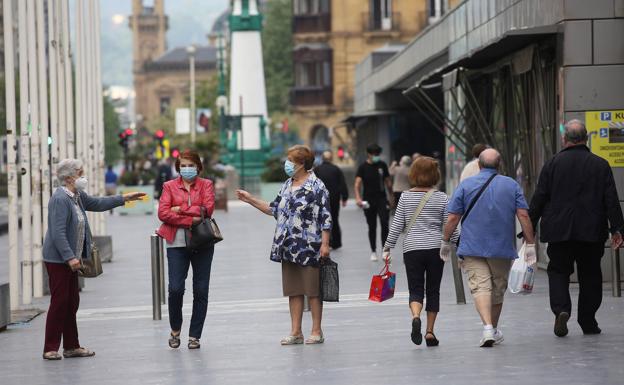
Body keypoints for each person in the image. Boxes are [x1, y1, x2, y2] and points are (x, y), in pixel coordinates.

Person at [528, 119, 624, 337]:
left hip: (559, 231)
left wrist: (529, 226)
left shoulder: (552, 164)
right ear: (586, 137)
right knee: (590, 274)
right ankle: (588, 320)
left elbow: (540, 198)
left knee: (559, 271)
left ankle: (562, 310)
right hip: (591, 231)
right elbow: (610, 199)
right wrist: (617, 229)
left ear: (565, 139)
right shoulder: (600, 164)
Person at [42, 159, 144, 360]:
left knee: (71, 302)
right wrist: (70, 257)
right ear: (70, 177)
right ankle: (50, 347)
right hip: (59, 259)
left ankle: (72, 346)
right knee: (60, 302)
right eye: (80, 173)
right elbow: (58, 232)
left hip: (72, 258)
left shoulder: (76, 196)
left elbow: (98, 203)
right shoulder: (60, 199)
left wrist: (124, 198)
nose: (83, 177)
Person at [236, 145, 331, 345]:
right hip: (287, 245)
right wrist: (249, 199)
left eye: (291, 160)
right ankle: (296, 331)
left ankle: (316, 330)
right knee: (293, 289)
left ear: (302, 163)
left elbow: (326, 217)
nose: (287, 164)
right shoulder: (287, 184)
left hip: (309, 246)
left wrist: (325, 243)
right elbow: (273, 208)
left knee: (313, 290)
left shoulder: (317, 186)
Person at [441, 148, 536, 347]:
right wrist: (530, 244)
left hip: (472, 246)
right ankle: (492, 328)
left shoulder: (465, 185)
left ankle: (487, 329)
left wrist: (445, 241)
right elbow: (524, 215)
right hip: (501, 247)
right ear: (499, 164)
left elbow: (453, 217)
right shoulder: (511, 185)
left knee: (480, 287)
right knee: (497, 289)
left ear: (479, 165)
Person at [383, 157, 458, 347]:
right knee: (433, 290)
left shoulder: (406, 197)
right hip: (435, 248)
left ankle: (416, 316)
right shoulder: (441, 197)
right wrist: (460, 244)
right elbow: (450, 225)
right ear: (435, 174)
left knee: (416, 288)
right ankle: (430, 332)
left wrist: (387, 246)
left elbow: (397, 224)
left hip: (412, 249)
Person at [157, 150, 215, 350]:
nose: (187, 169)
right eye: (183, 165)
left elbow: (207, 210)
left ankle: (194, 336)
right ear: (178, 167)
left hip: (202, 242)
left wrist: (179, 209)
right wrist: (191, 217)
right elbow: (163, 213)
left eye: (191, 165)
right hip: (176, 243)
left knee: (201, 290)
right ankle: (175, 330)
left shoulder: (206, 185)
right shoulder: (169, 186)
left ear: (198, 166)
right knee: (175, 288)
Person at [355, 144, 393, 261]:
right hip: (368, 199)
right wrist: (358, 198)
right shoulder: (363, 167)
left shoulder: (382, 165)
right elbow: (357, 184)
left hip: (381, 198)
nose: (376, 156)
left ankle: (385, 251)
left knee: (384, 223)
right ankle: (373, 251)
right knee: (372, 226)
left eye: (377, 154)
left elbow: (388, 182)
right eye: (374, 154)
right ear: (369, 154)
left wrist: (391, 197)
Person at [314, 150, 348, 249]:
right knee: (334, 219)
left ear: (322, 158)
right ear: (331, 158)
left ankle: (324, 242)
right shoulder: (336, 169)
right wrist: (344, 197)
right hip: (334, 198)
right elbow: (342, 183)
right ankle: (336, 243)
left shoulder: (317, 170)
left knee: (321, 220)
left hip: (320, 199)